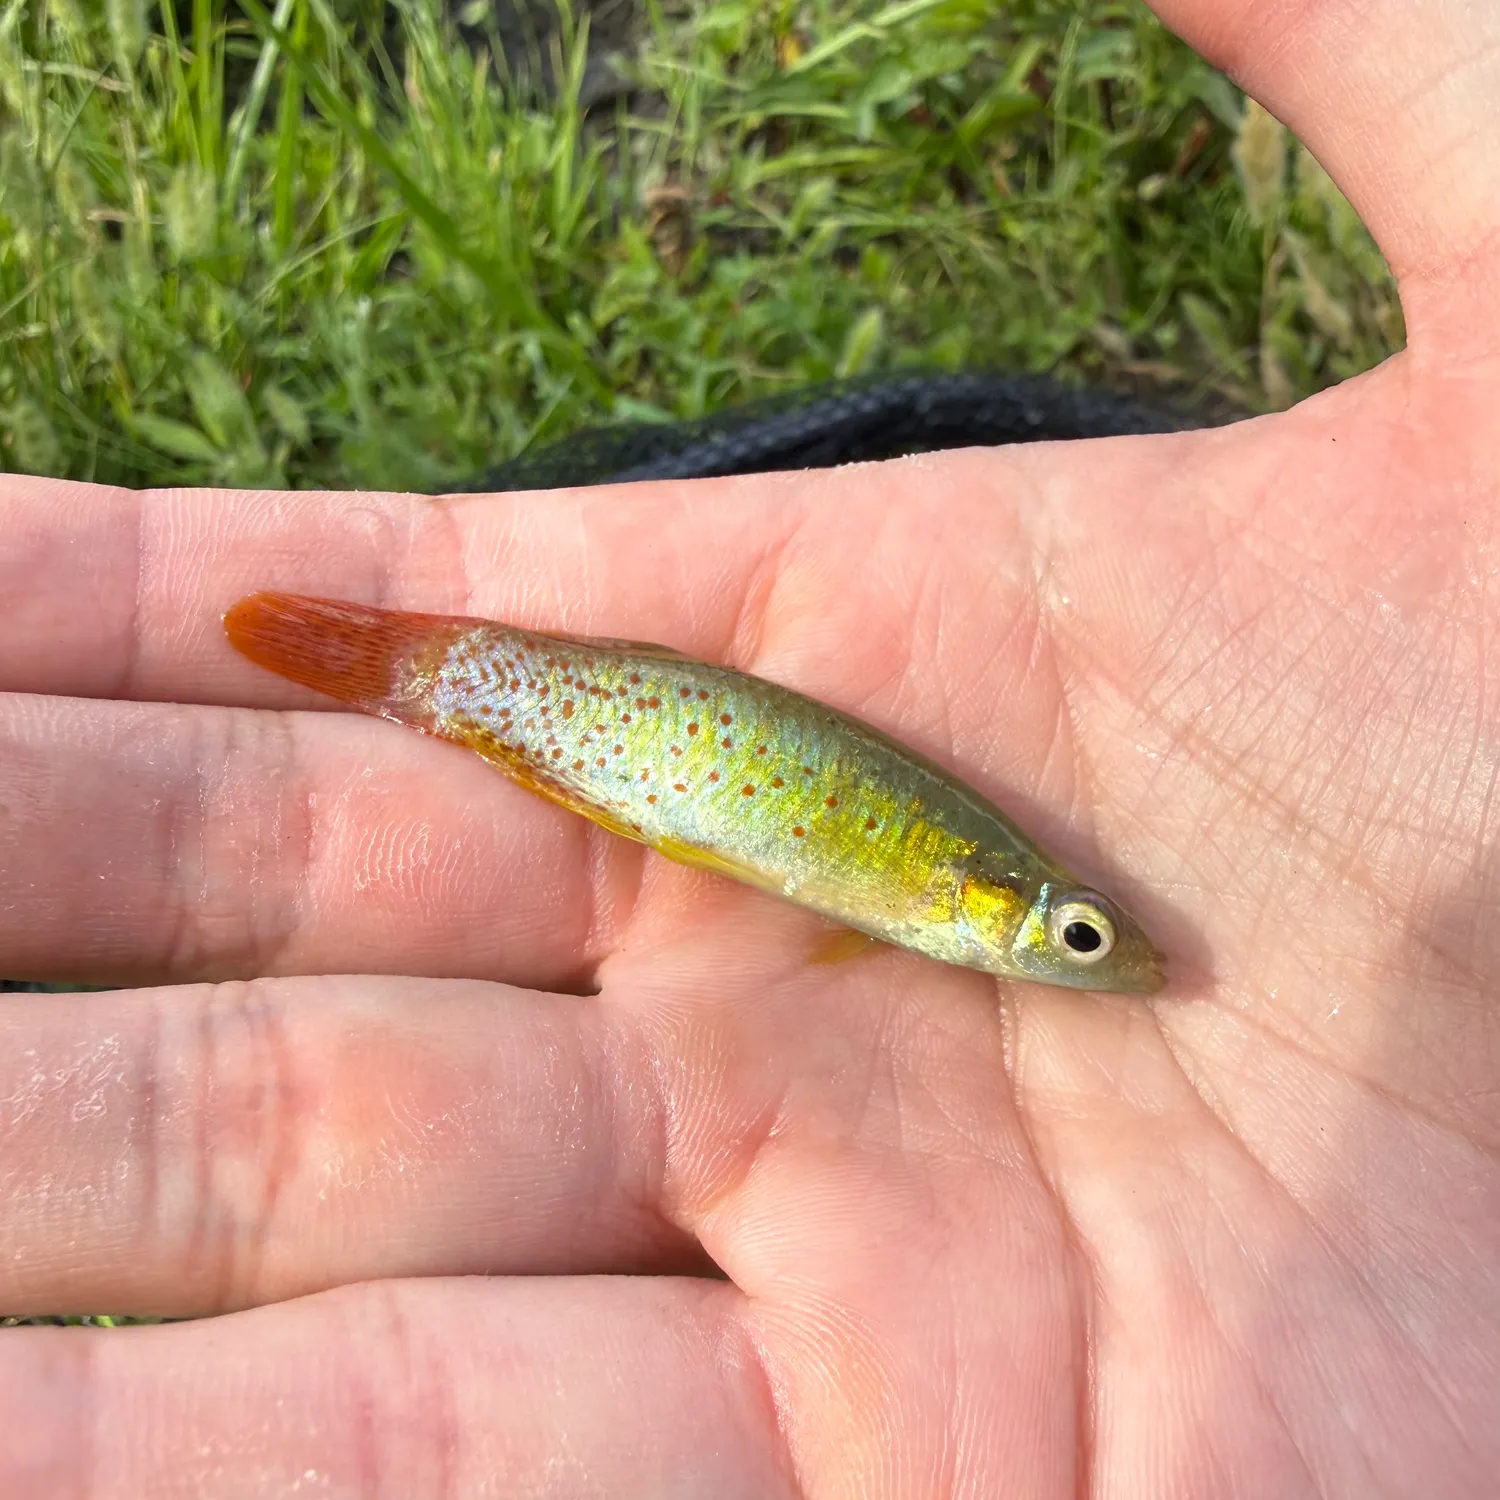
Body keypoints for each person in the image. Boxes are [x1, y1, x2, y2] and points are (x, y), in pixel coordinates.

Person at [2, 0, 1497, 1492]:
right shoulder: (951, 897)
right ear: (993, 898)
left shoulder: (945, 909)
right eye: (1076, 935)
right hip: (661, 750)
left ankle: (436, 678)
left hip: (690, 776)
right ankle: (426, 674)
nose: (1086, 951)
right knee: (463, 692)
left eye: (1080, 941)